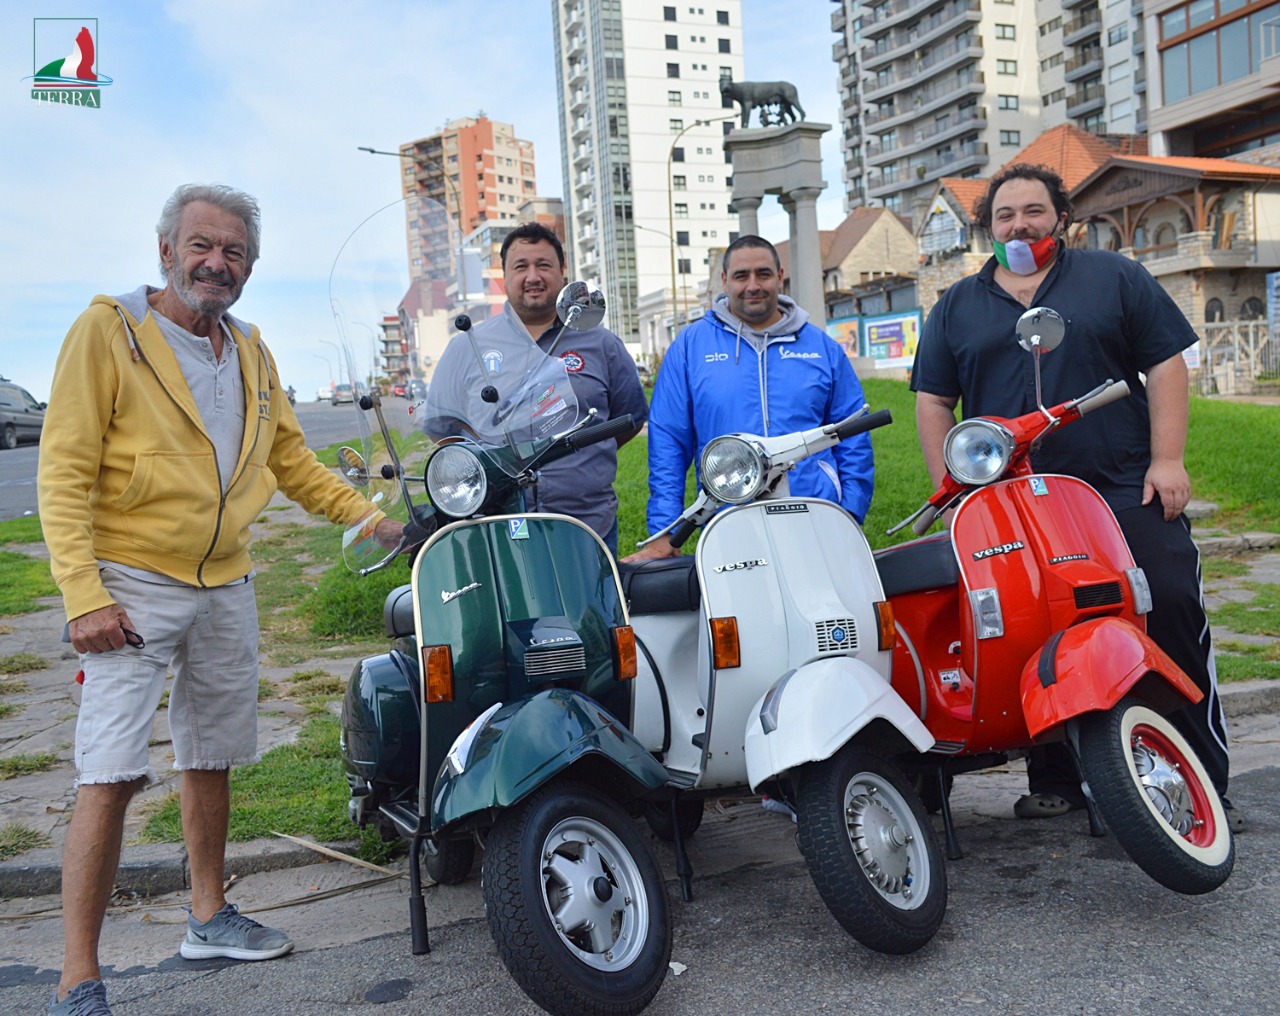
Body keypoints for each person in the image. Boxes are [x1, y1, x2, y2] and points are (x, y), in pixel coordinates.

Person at [37, 183, 404, 1016]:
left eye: (233, 251)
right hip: (128, 585)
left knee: (211, 757)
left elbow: (292, 464)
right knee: (110, 773)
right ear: (166, 250)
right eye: (201, 245)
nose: (217, 262)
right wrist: (82, 595)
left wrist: (369, 520)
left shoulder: (250, 351)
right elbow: (60, 473)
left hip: (225, 583)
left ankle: (207, 917)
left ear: (251, 265)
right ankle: (76, 979)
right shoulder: (110, 332)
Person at [910, 163, 1237, 828]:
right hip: (1011, 504)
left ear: (1060, 216)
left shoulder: (1113, 278)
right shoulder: (957, 306)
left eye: (1033, 210)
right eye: (1005, 215)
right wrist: (950, 489)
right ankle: (1055, 776)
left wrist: (1167, 459)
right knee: (1031, 630)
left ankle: (1201, 778)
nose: (1019, 224)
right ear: (988, 226)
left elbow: (1168, 362)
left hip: (1119, 486)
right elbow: (933, 401)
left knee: (1167, 607)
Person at [625, 234, 875, 562]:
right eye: (742, 276)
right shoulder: (690, 348)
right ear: (725, 280)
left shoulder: (820, 347)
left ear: (780, 276)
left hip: (816, 514)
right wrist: (666, 532)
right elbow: (669, 444)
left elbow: (853, 432)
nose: (753, 285)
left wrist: (850, 511)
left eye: (763, 274)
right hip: (730, 521)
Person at [423, 221, 648, 556]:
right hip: (496, 528)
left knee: (593, 609)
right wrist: (486, 472)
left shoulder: (602, 343)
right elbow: (443, 428)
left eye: (544, 265)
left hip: (587, 525)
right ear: (504, 276)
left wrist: (582, 458)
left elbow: (627, 420)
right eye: (520, 267)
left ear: (562, 272)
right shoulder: (468, 346)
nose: (533, 277)